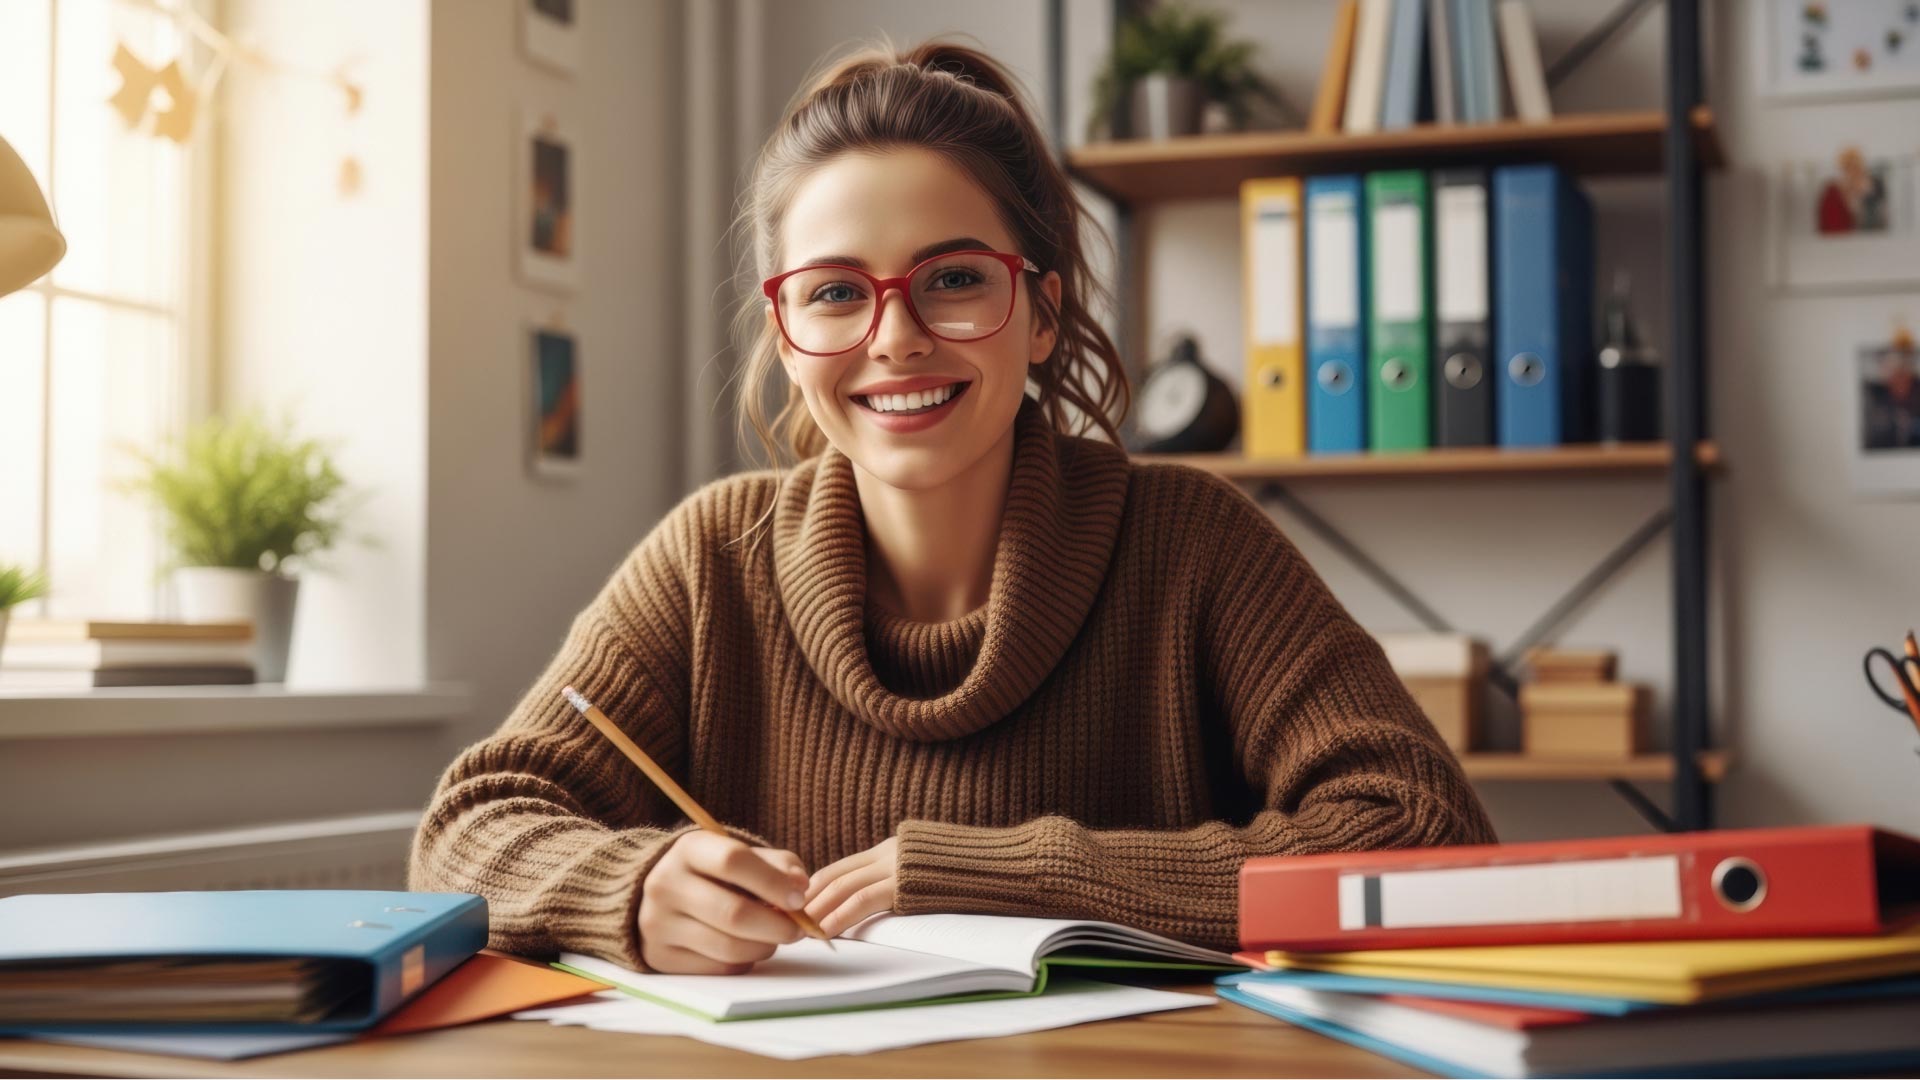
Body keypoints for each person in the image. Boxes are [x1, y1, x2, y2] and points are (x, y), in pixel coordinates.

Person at [409, 37, 1496, 976]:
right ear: (787, 341)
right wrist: (633, 888)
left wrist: (1009, 876)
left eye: (955, 278)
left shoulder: (1193, 544)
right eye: (835, 292)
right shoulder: (711, 559)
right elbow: (466, 831)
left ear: (1040, 313)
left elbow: (1426, 840)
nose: (894, 338)